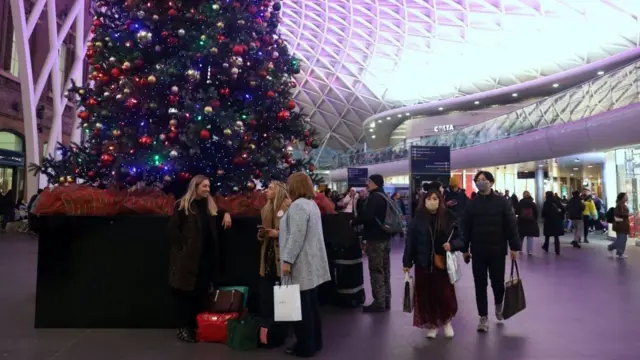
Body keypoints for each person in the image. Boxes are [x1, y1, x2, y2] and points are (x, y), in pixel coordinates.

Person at [167, 175, 232, 343]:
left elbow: (221, 210)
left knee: (200, 294)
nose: (207, 189)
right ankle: (184, 328)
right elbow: (173, 230)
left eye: (209, 186)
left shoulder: (210, 204)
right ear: (195, 186)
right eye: (204, 186)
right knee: (186, 295)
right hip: (188, 259)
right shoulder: (183, 205)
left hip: (205, 259)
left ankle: (197, 327)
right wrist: (184, 248)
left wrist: (226, 213)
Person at [461, 171, 520, 333]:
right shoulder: (472, 204)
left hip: (497, 250)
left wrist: (514, 246)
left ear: (491, 182)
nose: (481, 183)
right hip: (478, 250)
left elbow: (511, 225)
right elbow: (465, 227)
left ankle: (499, 305)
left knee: (497, 282)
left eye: (484, 180)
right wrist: (464, 249)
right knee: (480, 284)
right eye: (478, 180)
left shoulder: (502, 202)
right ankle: (483, 317)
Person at [280, 172, 331, 357]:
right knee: (311, 306)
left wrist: (287, 260)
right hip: (311, 262)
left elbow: (296, 236)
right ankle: (315, 342)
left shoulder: (298, 206)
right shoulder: (311, 205)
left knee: (301, 309)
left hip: (300, 264)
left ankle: (304, 346)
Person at [403, 185, 463, 339]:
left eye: (435, 199)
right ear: (424, 201)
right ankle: (432, 324)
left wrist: (452, 245)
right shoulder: (417, 220)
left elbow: (460, 238)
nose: (432, 202)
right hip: (423, 263)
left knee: (445, 294)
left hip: (442, 263)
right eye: (429, 199)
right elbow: (410, 242)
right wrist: (407, 262)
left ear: (440, 200)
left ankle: (446, 321)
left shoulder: (449, 217)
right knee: (426, 295)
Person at [352, 174, 392, 313]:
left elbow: (367, 217)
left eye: (369, 181)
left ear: (374, 183)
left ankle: (379, 302)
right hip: (386, 237)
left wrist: (354, 221)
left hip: (375, 239)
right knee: (385, 270)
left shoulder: (374, 198)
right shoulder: (384, 196)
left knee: (376, 271)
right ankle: (386, 300)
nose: (367, 183)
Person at [257, 181, 291, 320]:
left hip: (283, 255)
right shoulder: (265, 208)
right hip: (269, 253)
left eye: (270, 189)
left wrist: (278, 233)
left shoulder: (288, 206)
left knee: (283, 290)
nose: (266, 191)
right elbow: (263, 233)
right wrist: (261, 234)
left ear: (279, 191)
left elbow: (294, 231)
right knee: (268, 288)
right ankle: (271, 322)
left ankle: (283, 322)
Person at [515, 191, 539, 255]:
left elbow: (516, 212)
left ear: (523, 196)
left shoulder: (520, 203)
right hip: (531, 222)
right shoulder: (532, 203)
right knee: (530, 237)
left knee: (521, 236)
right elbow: (536, 213)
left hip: (521, 222)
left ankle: (520, 248)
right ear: (529, 195)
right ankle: (529, 251)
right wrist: (535, 219)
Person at [541, 191, 565, 255]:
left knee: (547, 235)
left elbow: (543, 212)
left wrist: (545, 217)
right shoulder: (556, 201)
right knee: (556, 236)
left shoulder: (546, 203)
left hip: (548, 221)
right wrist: (560, 215)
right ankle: (557, 250)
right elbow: (563, 209)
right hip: (557, 221)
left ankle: (546, 247)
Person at [607, 192, 630, 259]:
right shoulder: (620, 205)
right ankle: (612, 248)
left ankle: (619, 252)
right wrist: (627, 215)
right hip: (621, 225)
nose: (627, 197)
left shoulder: (622, 204)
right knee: (622, 239)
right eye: (626, 196)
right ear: (622, 198)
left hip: (622, 225)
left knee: (621, 239)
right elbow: (618, 215)